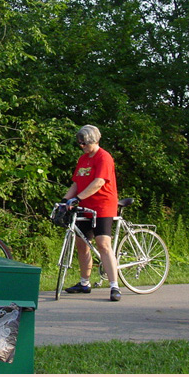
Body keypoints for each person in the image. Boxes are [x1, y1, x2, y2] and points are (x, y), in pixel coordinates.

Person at [60, 124, 122, 302]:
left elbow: (99, 182)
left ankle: (114, 286)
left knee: (103, 243)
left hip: (103, 205)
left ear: (93, 141)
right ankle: (84, 282)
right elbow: (76, 184)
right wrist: (65, 201)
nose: (82, 146)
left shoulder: (104, 158)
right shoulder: (83, 159)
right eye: (79, 143)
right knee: (81, 244)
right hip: (85, 206)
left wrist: (77, 198)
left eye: (84, 143)